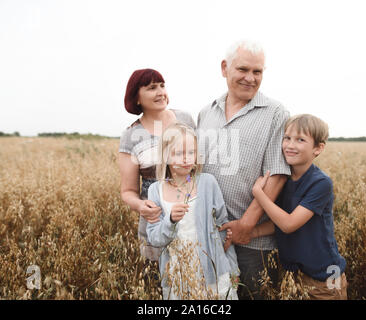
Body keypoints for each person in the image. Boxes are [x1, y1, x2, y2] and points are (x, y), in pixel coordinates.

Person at [197, 40, 290, 299]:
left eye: (257, 72)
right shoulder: (207, 112)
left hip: (253, 242)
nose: (250, 78)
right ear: (225, 68)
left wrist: (246, 224)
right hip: (210, 236)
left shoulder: (275, 113)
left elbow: (278, 174)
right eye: (243, 70)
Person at [251, 114, 348, 300]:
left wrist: (259, 194)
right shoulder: (284, 180)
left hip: (325, 278)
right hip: (294, 276)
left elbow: (288, 224)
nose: (290, 145)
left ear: (318, 148)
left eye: (300, 140)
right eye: (287, 138)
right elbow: (278, 221)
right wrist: (249, 232)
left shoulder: (320, 183)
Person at [146, 123, 239, 300]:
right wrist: (170, 221)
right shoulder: (155, 190)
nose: (186, 159)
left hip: (212, 270)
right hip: (178, 271)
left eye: (191, 152)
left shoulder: (207, 182)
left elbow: (222, 225)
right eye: (178, 153)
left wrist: (224, 261)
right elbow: (154, 238)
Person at [118, 69, 196, 273]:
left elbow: (198, 164)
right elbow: (128, 191)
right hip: (156, 219)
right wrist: (141, 206)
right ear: (136, 97)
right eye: (152, 88)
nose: (161, 92)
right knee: (159, 278)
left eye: (162, 85)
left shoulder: (185, 119)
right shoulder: (131, 135)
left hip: (191, 212)